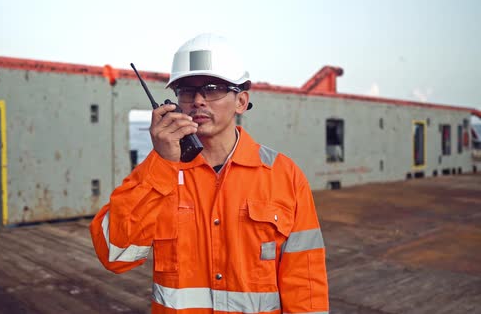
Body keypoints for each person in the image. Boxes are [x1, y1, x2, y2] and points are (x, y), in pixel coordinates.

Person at [90, 33, 329, 314]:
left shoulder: (284, 176)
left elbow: (306, 284)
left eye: (213, 88)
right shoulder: (158, 174)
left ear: (241, 101)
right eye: (187, 90)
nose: (199, 100)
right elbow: (114, 254)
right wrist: (162, 162)